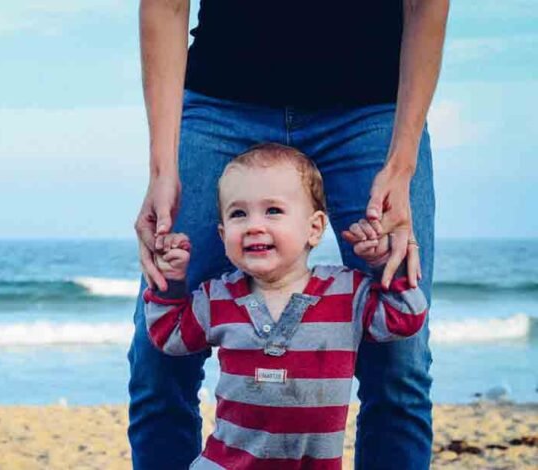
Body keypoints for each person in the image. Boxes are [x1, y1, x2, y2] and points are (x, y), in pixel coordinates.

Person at [130, 1, 448, 468]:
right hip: (220, 102)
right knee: (157, 363)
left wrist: (401, 166)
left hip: (372, 107)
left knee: (402, 365)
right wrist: (163, 169)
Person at [143, 144, 428, 469]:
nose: (253, 225)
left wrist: (383, 265)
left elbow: (406, 318)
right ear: (223, 234)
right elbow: (169, 336)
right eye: (238, 214)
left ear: (314, 228)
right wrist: (172, 282)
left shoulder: (347, 293)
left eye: (273, 211)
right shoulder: (216, 297)